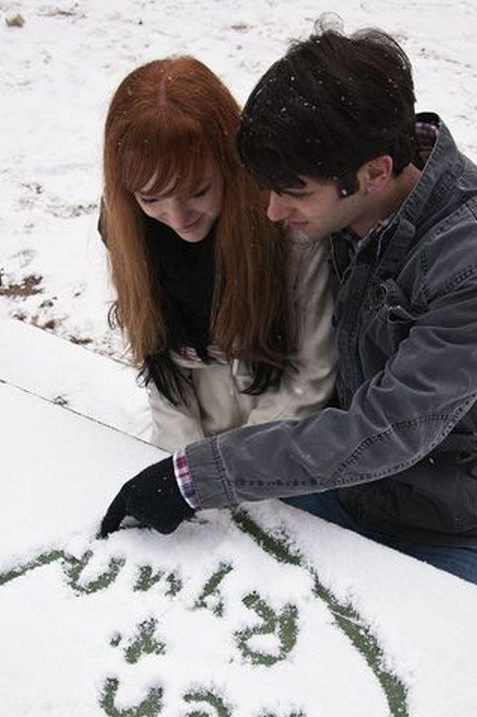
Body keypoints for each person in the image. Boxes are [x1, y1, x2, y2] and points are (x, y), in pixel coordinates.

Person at [100, 28, 477, 597]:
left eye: (293, 193)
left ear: (374, 172)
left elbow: (387, 428)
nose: (272, 212)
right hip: (343, 488)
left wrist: (195, 474)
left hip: (452, 524)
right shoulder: (337, 205)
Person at [100, 56, 337, 452]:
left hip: (283, 444)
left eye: (197, 191)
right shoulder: (129, 230)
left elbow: (311, 373)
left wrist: (226, 467)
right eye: (151, 197)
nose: (177, 218)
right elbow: (159, 361)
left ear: (230, 163)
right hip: (197, 444)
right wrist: (181, 461)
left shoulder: (288, 229)